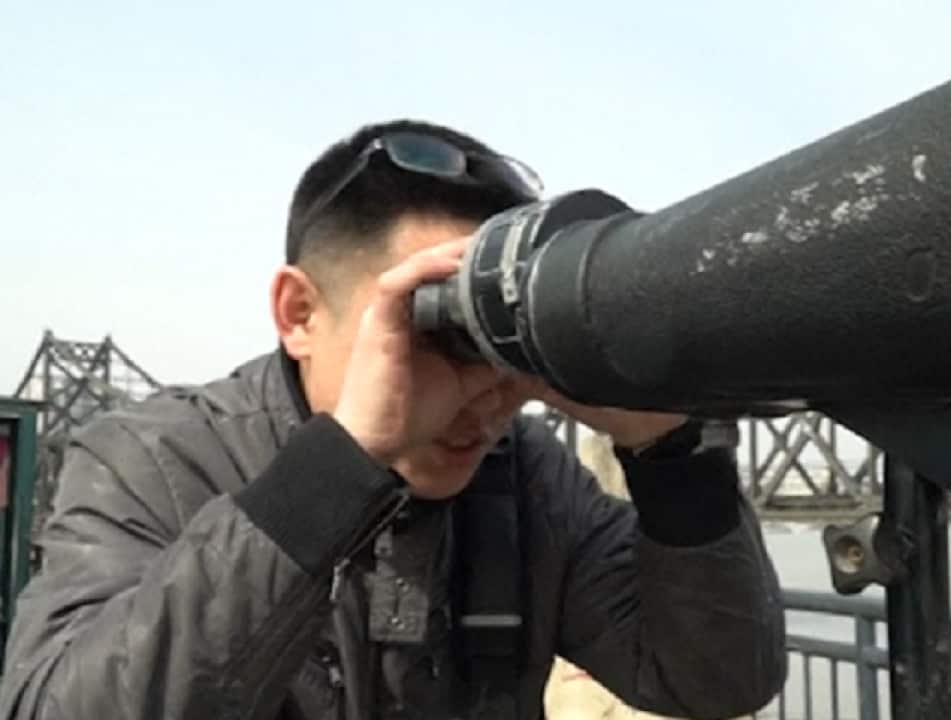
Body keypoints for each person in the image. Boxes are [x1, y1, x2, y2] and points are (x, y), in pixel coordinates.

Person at [0, 119, 787, 720]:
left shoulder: (531, 477)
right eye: (433, 334)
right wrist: (340, 469)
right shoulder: (155, 459)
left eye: (499, 343)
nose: (479, 395)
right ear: (299, 313)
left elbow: (717, 678)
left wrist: (669, 451)